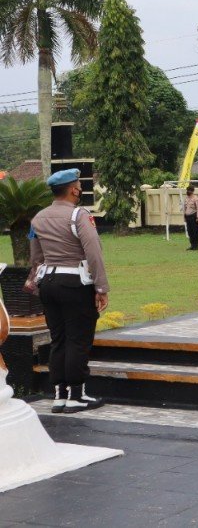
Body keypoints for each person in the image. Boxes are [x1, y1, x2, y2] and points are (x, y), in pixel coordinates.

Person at [28, 168, 109, 413]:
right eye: (79, 185)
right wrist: (101, 287)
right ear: (74, 189)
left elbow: (36, 257)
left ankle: (59, 396)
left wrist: (35, 280)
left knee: (58, 339)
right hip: (74, 284)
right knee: (78, 339)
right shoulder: (79, 215)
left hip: (49, 284)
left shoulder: (38, 218)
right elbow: (93, 253)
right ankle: (76, 395)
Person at [182, 185, 198, 251]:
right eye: (187, 190)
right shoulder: (186, 198)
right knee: (189, 231)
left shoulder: (195, 198)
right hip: (187, 217)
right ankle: (192, 245)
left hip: (194, 216)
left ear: (192, 191)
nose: (188, 191)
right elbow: (184, 208)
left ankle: (196, 245)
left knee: (195, 231)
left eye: (189, 190)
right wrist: (184, 216)